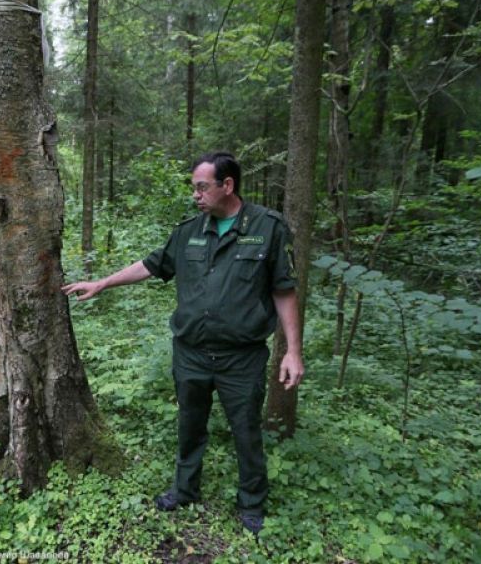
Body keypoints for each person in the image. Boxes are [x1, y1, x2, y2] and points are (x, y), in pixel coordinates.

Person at [62, 151, 304, 535]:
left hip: (241, 358)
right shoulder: (190, 231)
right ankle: (185, 490)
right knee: (190, 425)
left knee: (246, 431)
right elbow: (151, 265)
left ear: (228, 185)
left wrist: (292, 351)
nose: (196, 195)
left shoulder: (267, 228)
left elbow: (284, 290)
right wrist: (103, 282)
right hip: (190, 353)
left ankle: (251, 503)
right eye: (194, 188)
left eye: (202, 186)